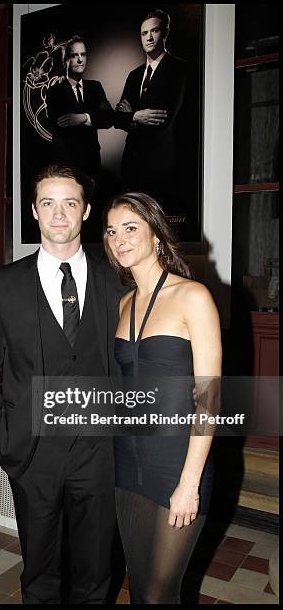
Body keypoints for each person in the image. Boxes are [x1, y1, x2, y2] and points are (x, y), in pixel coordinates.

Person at [0, 164, 126, 604]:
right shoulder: (5, 283)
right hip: (31, 452)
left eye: (70, 203)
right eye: (48, 203)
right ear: (35, 212)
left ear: (87, 211)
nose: (59, 214)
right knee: (39, 574)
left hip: (99, 453)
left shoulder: (115, 281)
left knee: (96, 573)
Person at [103, 191, 222, 604]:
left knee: (159, 594)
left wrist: (190, 483)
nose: (120, 239)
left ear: (156, 234)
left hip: (178, 464)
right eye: (112, 230)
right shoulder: (123, 303)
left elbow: (210, 398)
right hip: (126, 464)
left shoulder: (193, 296)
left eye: (131, 228)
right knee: (136, 586)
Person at [114, 10, 187, 212]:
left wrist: (131, 115)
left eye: (154, 31)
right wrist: (137, 115)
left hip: (162, 167)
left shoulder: (179, 69)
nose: (149, 37)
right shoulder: (134, 75)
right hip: (131, 167)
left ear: (165, 33)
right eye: (144, 33)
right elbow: (118, 118)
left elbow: (163, 117)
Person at [46, 35, 114, 182]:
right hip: (67, 167)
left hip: (92, 165)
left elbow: (109, 118)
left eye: (83, 54)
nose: (80, 59)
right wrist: (95, 116)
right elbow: (58, 126)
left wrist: (83, 117)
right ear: (66, 60)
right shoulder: (54, 92)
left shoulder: (95, 87)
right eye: (74, 55)